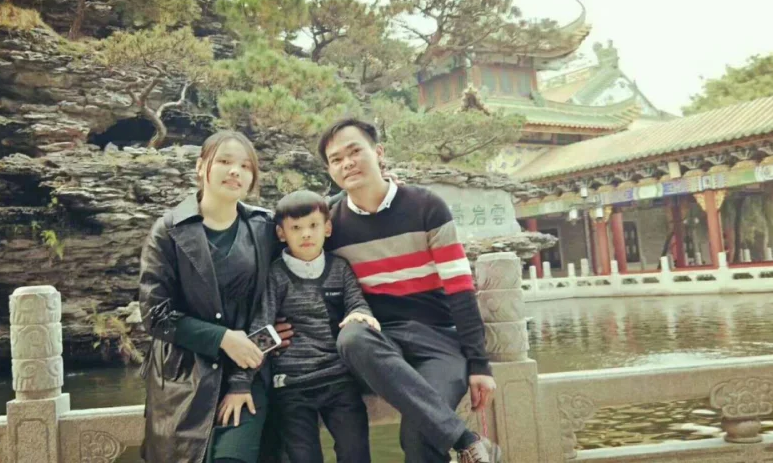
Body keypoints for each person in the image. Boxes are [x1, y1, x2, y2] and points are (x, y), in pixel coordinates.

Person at [277, 118, 503, 463]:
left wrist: (479, 364)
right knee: (352, 337)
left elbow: (460, 289)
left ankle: (458, 439)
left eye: (355, 152)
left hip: (438, 340)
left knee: (420, 436)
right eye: (336, 159)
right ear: (330, 170)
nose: (347, 163)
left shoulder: (427, 206)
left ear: (378, 152)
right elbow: (287, 258)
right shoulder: (330, 225)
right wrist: (275, 322)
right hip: (379, 341)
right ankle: (466, 439)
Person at [137, 130, 277, 463]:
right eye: (225, 161)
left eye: (245, 166)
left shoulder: (264, 227)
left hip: (247, 370)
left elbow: (310, 238)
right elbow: (155, 314)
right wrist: (223, 338)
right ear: (201, 167)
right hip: (183, 378)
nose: (235, 171)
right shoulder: (168, 230)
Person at [240, 190, 378, 463]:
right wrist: (240, 383)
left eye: (313, 225)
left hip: (339, 380)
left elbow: (357, 304)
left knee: (355, 452)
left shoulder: (339, 268)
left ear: (327, 228)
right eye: (296, 228)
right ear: (281, 234)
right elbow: (261, 327)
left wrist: (361, 314)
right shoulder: (276, 276)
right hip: (291, 385)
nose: (306, 234)